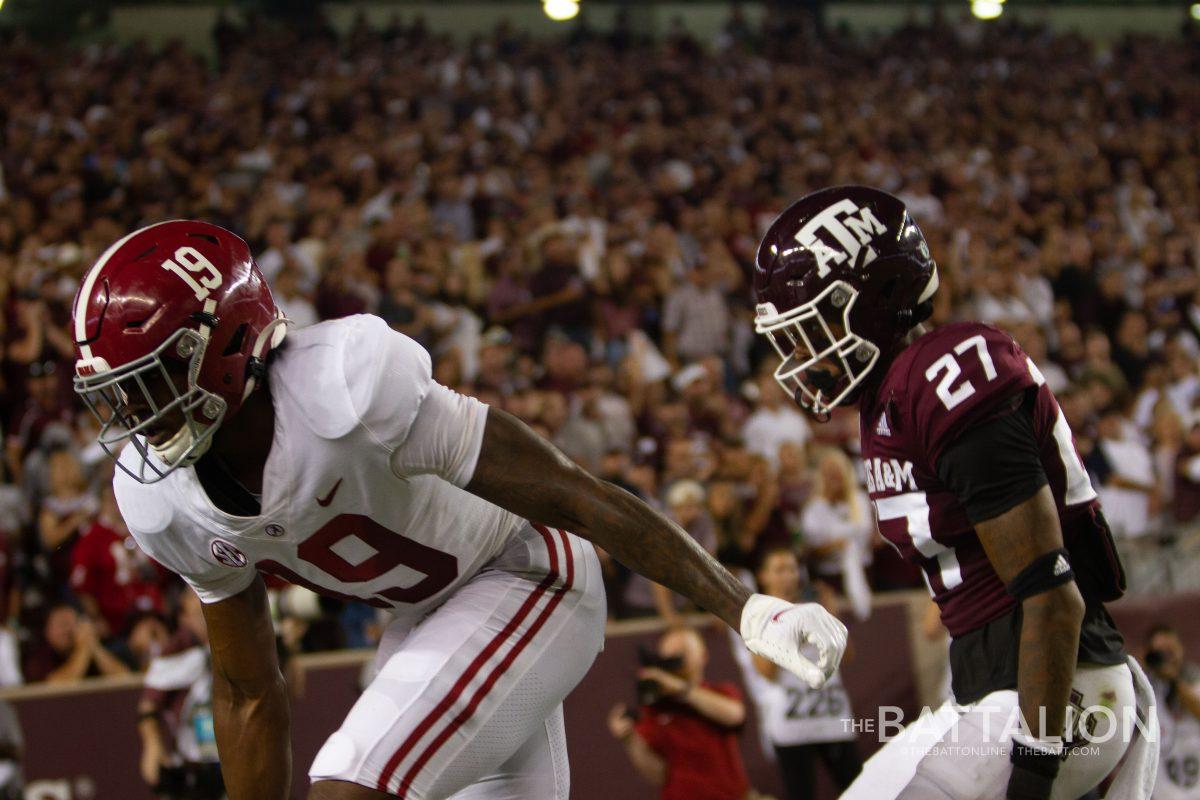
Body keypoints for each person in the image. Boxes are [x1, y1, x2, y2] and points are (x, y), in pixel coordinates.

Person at [71, 221, 847, 800]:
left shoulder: (344, 386)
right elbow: (246, 691)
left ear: (230, 340)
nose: (136, 412)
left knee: (350, 786)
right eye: (119, 390)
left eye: (153, 378)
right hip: (426, 622)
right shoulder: (160, 499)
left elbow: (573, 490)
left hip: (530, 573)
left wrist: (746, 610)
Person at [752, 186, 1154, 800]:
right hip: (991, 683)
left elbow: (1052, 594)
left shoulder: (944, 377)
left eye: (818, 323)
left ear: (875, 302)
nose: (805, 353)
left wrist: (1032, 772)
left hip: (1057, 686)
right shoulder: (891, 396)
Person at [743, 547, 861, 799]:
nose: (788, 576)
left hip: (831, 716)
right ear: (763, 576)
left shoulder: (814, 607)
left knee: (860, 790)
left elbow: (847, 658)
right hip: (791, 723)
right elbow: (766, 672)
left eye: (792, 568)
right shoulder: (758, 617)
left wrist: (831, 614)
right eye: (779, 569)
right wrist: (786, 625)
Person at [606, 627, 751, 800]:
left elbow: (734, 715)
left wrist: (678, 688)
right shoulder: (655, 710)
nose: (675, 660)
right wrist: (630, 740)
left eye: (683, 653)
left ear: (703, 655)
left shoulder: (721, 692)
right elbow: (659, 775)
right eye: (668, 654)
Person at [139, 591, 223, 800]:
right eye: (190, 596)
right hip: (195, 762)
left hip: (237, 755)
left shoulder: (240, 638)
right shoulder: (177, 649)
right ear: (183, 616)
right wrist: (152, 746)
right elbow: (149, 703)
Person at [1143, 625, 1200, 800]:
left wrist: (1174, 680)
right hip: (1165, 792)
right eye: (1159, 653)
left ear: (1181, 649)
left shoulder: (1194, 681)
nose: (1165, 658)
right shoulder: (1146, 693)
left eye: (1170, 651)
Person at [21, 602, 130, 684]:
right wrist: (83, 649)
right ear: (47, 630)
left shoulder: (88, 648)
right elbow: (55, 688)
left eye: (74, 623)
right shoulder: (38, 656)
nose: (69, 630)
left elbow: (124, 679)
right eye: (62, 624)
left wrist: (94, 647)